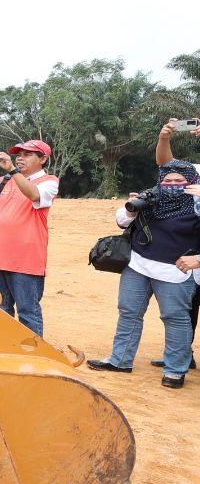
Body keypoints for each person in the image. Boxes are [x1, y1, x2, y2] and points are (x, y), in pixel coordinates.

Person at [87, 161, 200, 389]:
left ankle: (175, 370)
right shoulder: (152, 198)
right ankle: (120, 360)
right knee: (129, 311)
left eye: (180, 181)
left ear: (192, 182)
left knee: (175, 319)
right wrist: (130, 208)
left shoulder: (197, 205)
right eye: (167, 180)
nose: (173, 185)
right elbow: (122, 221)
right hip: (138, 265)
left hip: (176, 271)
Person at [0, 139, 59, 337]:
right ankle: (3, 354)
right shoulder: (4, 181)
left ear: (43, 159)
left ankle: (34, 357)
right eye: (19, 154)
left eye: (27, 154)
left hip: (26, 261)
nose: (20, 157)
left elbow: (33, 194)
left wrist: (13, 170)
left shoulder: (49, 181)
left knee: (28, 312)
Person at [150, 119, 200, 371]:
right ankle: (181, 356)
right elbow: (166, 164)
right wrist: (164, 139)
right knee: (188, 309)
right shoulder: (193, 171)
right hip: (192, 254)